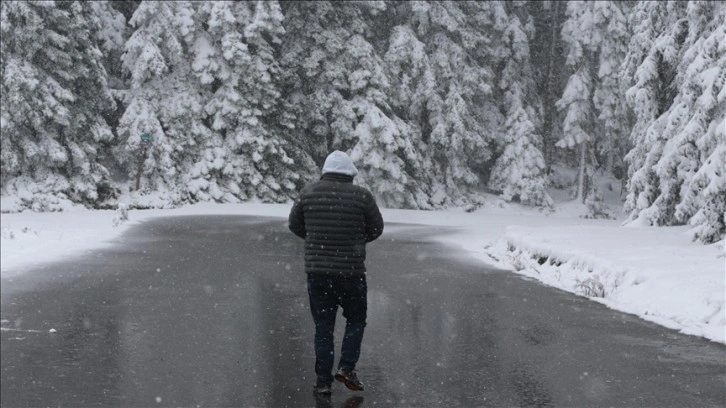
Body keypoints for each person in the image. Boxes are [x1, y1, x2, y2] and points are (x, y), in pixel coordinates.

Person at [289, 150, 384, 396]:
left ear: (325, 171)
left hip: (318, 273)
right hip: (351, 272)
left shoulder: (308, 193)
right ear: (350, 173)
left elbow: (295, 225)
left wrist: (316, 240)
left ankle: (323, 381)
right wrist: (355, 240)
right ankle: (347, 367)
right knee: (356, 320)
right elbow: (377, 228)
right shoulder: (362, 196)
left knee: (323, 327)